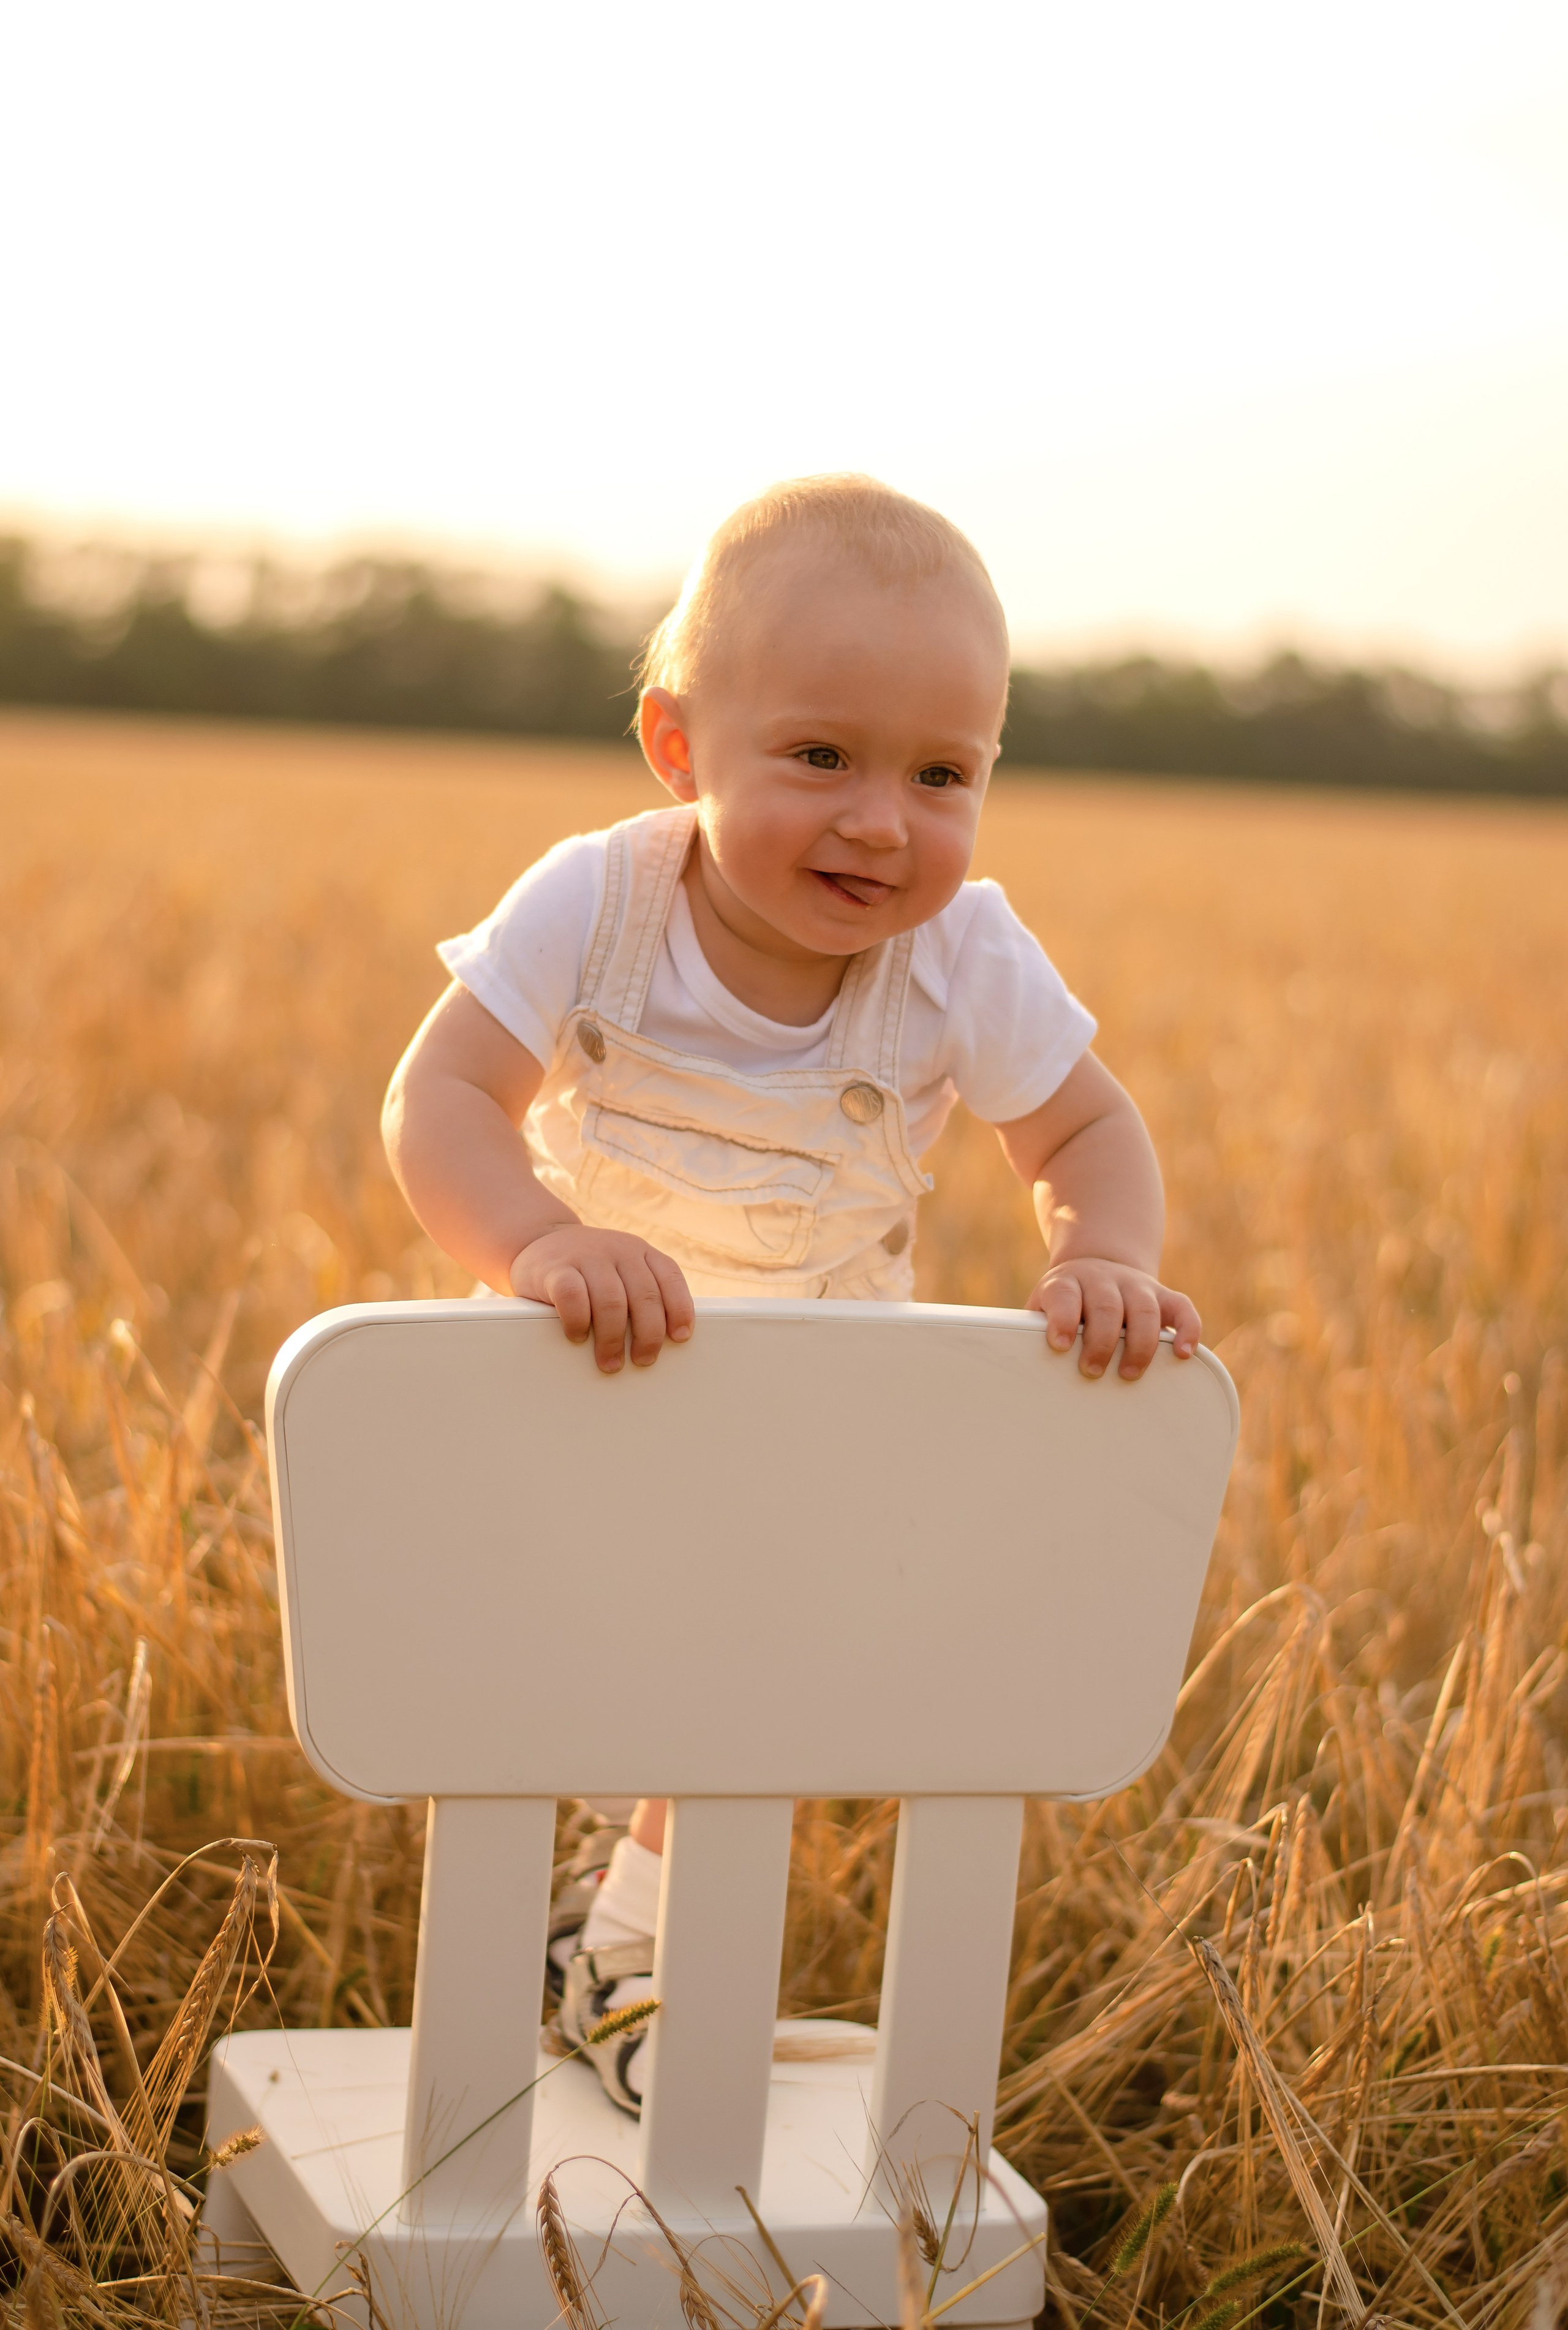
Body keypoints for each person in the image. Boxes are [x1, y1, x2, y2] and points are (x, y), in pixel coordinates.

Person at [382, 474, 1201, 2115]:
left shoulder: (961, 952)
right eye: (821, 755)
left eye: (940, 772)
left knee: (756, 1693)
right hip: (573, 1371)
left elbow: (1086, 1125)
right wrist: (539, 1240)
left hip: (806, 1408)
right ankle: (502, 1967)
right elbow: (441, 1100)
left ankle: (626, 1952)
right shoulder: (596, 902)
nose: (882, 819)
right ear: (680, 748)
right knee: (527, 1681)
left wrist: (1102, 1251)